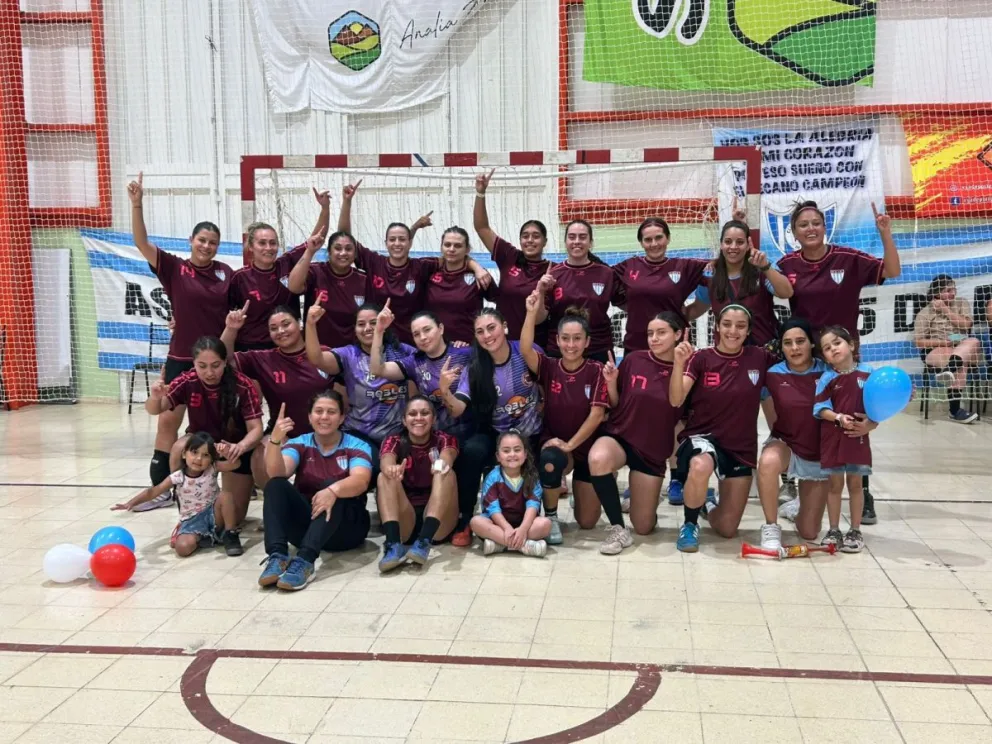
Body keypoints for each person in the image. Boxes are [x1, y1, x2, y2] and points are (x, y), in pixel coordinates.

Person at [777, 199, 900, 525]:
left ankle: (864, 491)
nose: (811, 229)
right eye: (803, 225)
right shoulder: (786, 263)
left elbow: (892, 271)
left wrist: (885, 233)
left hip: (842, 360)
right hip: (806, 360)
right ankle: (794, 480)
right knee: (806, 420)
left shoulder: (848, 259)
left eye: (816, 222)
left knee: (853, 421)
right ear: (794, 232)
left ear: (824, 226)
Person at [128, 172, 230, 501]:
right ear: (191, 240)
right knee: (167, 425)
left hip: (214, 365)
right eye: (202, 240)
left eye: (212, 242)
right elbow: (142, 243)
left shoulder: (225, 273)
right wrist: (137, 204)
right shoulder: (174, 268)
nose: (207, 246)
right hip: (180, 360)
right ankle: (161, 490)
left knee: (221, 427)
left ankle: (224, 485)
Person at [669, 305, 778, 553]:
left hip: (740, 446)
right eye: (727, 324)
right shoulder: (701, 358)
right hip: (702, 438)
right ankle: (689, 523)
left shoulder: (759, 357)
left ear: (748, 330)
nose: (732, 331)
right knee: (701, 464)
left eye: (740, 326)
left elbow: (793, 371)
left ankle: (706, 505)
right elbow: (676, 400)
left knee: (728, 529)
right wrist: (678, 364)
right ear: (717, 326)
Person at [438, 308, 544, 547]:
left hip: (531, 432)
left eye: (491, 328)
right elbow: (457, 409)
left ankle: (543, 517)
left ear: (504, 327)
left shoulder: (526, 351)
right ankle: (466, 519)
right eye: (480, 331)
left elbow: (548, 381)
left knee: (548, 457)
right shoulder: (475, 368)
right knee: (473, 451)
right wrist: (444, 389)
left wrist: (543, 404)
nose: (487, 335)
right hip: (496, 433)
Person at [338, 180, 490, 344]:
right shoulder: (374, 262)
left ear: (410, 243)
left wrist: (477, 267)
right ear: (386, 243)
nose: (397, 243)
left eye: (402, 239)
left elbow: (452, 257)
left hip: (414, 344)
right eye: (392, 240)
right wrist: (347, 202)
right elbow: (345, 238)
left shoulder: (421, 266)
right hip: (378, 341)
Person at [587, 311, 687, 555]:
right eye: (650, 333)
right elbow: (616, 402)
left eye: (661, 333)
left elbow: (677, 404)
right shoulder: (634, 360)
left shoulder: (688, 370)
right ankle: (618, 528)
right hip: (621, 436)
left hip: (652, 450)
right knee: (599, 458)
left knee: (643, 526)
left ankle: (642, 502)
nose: (654, 338)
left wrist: (679, 363)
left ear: (678, 334)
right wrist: (611, 382)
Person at [519, 294, 609, 545]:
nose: (571, 345)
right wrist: (530, 312)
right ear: (557, 340)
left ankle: (581, 494)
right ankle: (552, 517)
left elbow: (597, 414)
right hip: (557, 443)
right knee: (549, 460)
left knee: (588, 521)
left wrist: (571, 445)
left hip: (587, 448)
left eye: (577, 338)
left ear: (587, 341)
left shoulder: (596, 370)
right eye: (566, 339)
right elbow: (525, 348)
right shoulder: (549, 366)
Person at [260, 391, 372, 591]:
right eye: (319, 411)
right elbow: (277, 472)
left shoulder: (356, 444)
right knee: (275, 484)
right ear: (310, 417)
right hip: (307, 527)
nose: (324, 417)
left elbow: (361, 481)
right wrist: (275, 441)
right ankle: (277, 556)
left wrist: (333, 490)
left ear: (342, 418)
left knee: (334, 484)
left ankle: (305, 561)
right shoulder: (300, 442)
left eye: (331, 412)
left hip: (346, 530)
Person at [145, 337, 263, 526]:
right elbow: (154, 409)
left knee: (231, 520)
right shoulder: (187, 380)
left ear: (225, 362)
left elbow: (256, 429)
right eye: (202, 366)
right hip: (202, 444)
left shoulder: (242, 385)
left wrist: (240, 447)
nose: (209, 372)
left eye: (215, 365)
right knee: (179, 447)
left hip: (232, 448)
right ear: (194, 364)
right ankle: (186, 504)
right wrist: (155, 397)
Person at [221, 305, 334, 488]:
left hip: (324, 432)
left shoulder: (325, 354)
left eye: (286, 324)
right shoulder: (263, 359)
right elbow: (224, 360)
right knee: (260, 456)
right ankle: (275, 501)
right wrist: (231, 329)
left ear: (299, 324)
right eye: (273, 328)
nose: (280, 331)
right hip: (283, 432)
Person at [305, 301, 416, 484]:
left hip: (398, 434)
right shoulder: (348, 355)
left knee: (402, 474)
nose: (367, 328)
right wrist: (310, 324)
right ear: (355, 329)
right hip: (359, 434)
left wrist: (459, 347)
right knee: (365, 471)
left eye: (373, 323)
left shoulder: (403, 352)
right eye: (361, 324)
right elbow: (317, 359)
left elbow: (431, 357)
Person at [755, 318, 830, 552]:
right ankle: (770, 526)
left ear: (811, 344)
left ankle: (793, 508)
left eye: (800, 341)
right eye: (788, 343)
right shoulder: (772, 374)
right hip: (785, 443)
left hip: (817, 452)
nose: (794, 348)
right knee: (767, 461)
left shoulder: (828, 371)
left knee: (809, 532)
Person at [112, 432, 244, 557]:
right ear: (184, 454)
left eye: (205, 455)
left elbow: (236, 464)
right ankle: (202, 536)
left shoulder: (213, 467)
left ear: (211, 459)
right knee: (182, 549)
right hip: (191, 520)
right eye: (194, 452)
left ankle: (230, 534)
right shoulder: (177, 477)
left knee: (226, 496)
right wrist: (131, 503)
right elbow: (153, 491)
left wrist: (226, 453)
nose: (199, 458)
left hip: (214, 513)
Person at [228, 189, 330, 350]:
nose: (268, 248)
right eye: (262, 243)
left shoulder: (287, 263)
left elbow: (316, 239)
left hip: (287, 347)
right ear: (251, 247)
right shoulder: (239, 278)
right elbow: (222, 313)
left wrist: (325, 208)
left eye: (273, 243)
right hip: (251, 350)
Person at [376, 396, 460, 572]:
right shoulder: (395, 440)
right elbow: (386, 459)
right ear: (404, 420)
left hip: (438, 520)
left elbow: (448, 455)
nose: (419, 418)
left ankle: (424, 542)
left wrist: (441, 464)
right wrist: (391, 469)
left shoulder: (444, 439)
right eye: (412, 414)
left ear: (434, 419)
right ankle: (392, 544)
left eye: (425, 413)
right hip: (406, 519)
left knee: (444, 471)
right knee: (384, 476)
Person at [368, 304, 473, 439]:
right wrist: (379, 331)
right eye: (416, 334)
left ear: (440, 328)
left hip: (469, 433)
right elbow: (377, 369)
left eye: (427, 330)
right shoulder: (415, 362)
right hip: (434, 436)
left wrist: (444, 389)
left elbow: (457, 411)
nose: (422, 337)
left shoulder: (465, 355)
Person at [814, 326, 875, 553]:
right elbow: (820, 408)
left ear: (851, 345)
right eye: (827, 348)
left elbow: (878, 407)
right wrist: (838, 417)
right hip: (832, 439)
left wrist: (870, 424)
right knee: (834, 485)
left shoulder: (869, 374)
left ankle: (855, 530)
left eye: (837, 343)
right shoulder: (826, 378)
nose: (833, 349)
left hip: (857, 438)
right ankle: (833, 530)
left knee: (856, 485)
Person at [473, 169, 552, 346]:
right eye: (525, 236)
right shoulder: (509, 256)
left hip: (537, 346)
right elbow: (482, 228)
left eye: (536, 236)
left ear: (545, 241)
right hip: (504, 344)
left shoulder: (553, 269)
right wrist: (480, 192)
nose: (530, 240)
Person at [688, 219, 793, 348]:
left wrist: (765, 267)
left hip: (763, 352)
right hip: (726, 354)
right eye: (728, 241)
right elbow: (697, 308)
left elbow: (786, 292)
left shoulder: (761, 267)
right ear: (721, 244)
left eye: (740, 242)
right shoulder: (710, 275)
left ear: (748, 245)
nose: (733, 247)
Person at [612, 217, 708, 354]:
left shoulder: (684, 267)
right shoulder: (628, 266)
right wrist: (634, 307)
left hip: (675, 349)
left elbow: (723, 265)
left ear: (668, 238)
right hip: (637, 347)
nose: (654, 244)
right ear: (641, 243)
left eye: (659, 237)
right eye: (648, 240)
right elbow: (600, 274)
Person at [539, 220, 622, 363]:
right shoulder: (553, 275)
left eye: (582, 237)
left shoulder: (606, 273)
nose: (577, 241)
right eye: (572, 237)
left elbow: (627, 303)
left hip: (598, 348)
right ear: (565, 242)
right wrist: (540, 292)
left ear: (591, 243)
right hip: (561, 350)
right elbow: (540, 318)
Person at [470, 431, 551, 557]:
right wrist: (507, 528)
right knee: (476, 522)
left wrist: (523, 529)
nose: (512, 454)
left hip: (524, 524)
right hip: (499, 526)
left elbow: (533, 505)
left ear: (525, 454)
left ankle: (500, 544)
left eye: (517, 450)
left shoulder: (531, 476)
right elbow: (493, 508)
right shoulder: (493, 477)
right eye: (506, 451)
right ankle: (524, 546)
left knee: (545, 524)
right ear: (498, 456)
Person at [913, 274, 982, 423]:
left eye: (954, 289)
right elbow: (918, 342)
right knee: (960, 363)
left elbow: (966, 325)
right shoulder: (925, 313)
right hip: (939, 348)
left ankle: (949, 370)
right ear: (936, 293)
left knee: (974, 340)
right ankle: (955, 411)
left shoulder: (961, 303)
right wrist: (942, 342)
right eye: (947, 290)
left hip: (963, 346)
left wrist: (945, 310)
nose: (952, 293)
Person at [288, 229, 368, 348]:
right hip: (317, 350)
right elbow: (293, 287)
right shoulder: (316, 271)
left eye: (348, 249)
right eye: (338, 248)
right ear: (329, 252)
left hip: (351, 353)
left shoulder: (363, 279)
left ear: (355, 253)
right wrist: (310, 251)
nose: (343, 253)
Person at [423, 227, 495, 344]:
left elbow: (500, 301)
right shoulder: (429, 271)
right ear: (441, 247)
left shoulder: (480, 275)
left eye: (458, 246)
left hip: (468, 347)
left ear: (467, 249)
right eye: (447, 245)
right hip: (434, 346)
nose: (451, 249)